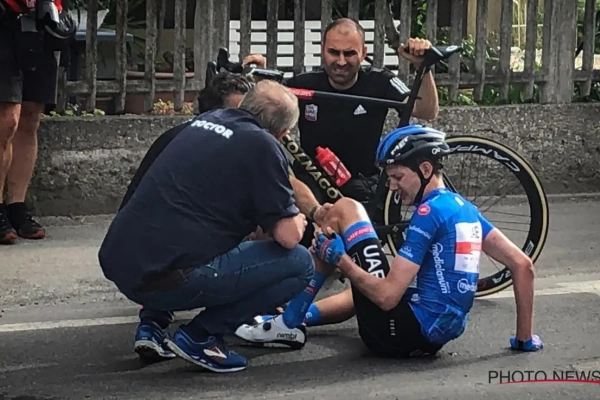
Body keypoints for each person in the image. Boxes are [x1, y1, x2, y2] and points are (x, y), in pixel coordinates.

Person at [235, 125, 544, 356]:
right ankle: (294, 317)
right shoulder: (464, 208)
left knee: (346, 208)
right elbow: (522, 265)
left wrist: (341, 260)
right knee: (368, 285)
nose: (393, 187)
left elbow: (386, 298)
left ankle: (288, 323)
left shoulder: (429, 212)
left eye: (398, 177)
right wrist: (524, 339)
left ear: (425, 169)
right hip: (429, 339)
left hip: (395, 335)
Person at [98, 80, 316, 373]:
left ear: (245, 104)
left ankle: (154, 323)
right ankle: (201, 336)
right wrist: (300, 219)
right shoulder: (263, 145)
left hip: (120, 264)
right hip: (167, 280)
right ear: (283, 133)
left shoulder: (205, 122)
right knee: (299, 264)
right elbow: (288, 237)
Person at [243, 18, 439, 206]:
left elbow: (427, 111)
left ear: (363, 53)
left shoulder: (381, 81)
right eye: (334, 52)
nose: (341, 61)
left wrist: (423, 66)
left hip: (364, 184)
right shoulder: (304, 83)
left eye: (350, 53)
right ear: (323, 50)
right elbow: (265, 104)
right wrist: (260, 79)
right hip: (313, 181)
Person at [0, 0, 72, 244]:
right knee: (7, 120)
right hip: (4, 20)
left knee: (30, 116)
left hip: (41, 19)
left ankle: (16, 206)